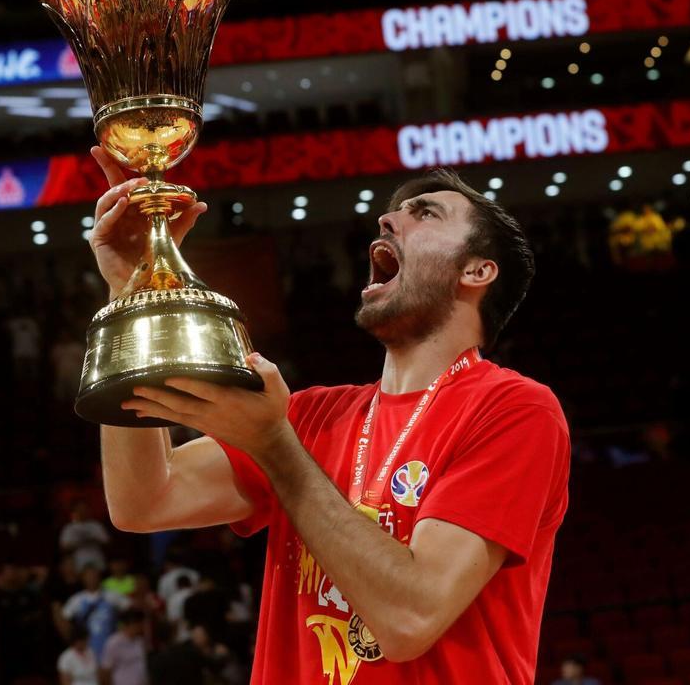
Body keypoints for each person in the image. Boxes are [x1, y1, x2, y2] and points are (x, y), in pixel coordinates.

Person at [94, 155, 569, 684]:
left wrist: (275, 446)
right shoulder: (309, 415)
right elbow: (143, 500)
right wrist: (134, 293)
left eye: (426, 214)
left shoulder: (514, 409)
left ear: (476, 271)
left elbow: (411, 617)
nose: (388, 220)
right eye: (392, 212)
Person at [64, 566, 129, 661]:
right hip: (87, 650)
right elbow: (64, 619)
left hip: (111, 648)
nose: (92, 578)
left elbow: (130, 608)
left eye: (94, 575)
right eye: (88, 576)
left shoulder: (112, 595)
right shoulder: (76, 600)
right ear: (83, 578)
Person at [60, 501, 111, 573]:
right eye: (80, 509)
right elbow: (63, 547)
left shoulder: (96, 525)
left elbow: (107, 542)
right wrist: (80, 543)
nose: (82, 511)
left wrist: (94, 540)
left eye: (84, 509)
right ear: (74, 511)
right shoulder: (69, 528)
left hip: (97, 561)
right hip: (77, 564)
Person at [101, 610, 148, 685]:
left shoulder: (139, 642)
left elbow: (142, 666)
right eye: (140, 625)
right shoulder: (113, 643)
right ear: (132, 624)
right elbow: (106, 670)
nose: (142, 628)